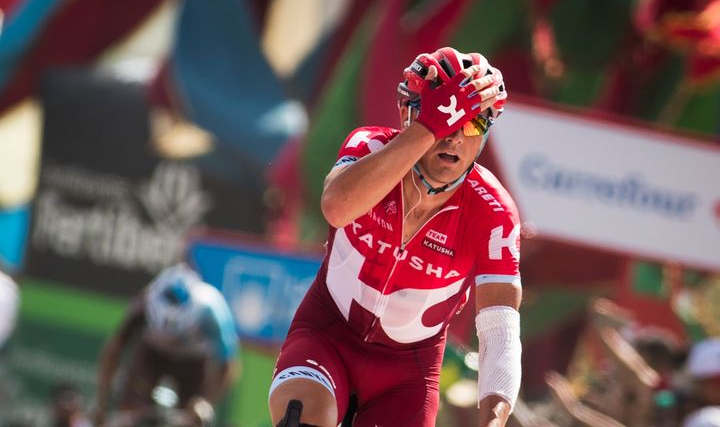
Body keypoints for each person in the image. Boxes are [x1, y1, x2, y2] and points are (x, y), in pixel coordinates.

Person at [268, 47, 521, 427]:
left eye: (472, 123)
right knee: (304, 418)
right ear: (408, 115)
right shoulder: (370, 146)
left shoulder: (493, 212)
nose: (453, 136)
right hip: (328, 332)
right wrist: (428, 127)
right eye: (443, 118)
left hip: (408, 372)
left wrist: (494, 422)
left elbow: (500, 330)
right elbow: (336, 206)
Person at [94, 263, 240, 426]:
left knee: (193, 418)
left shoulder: (212, 309)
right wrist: (102, 403)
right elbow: (114, 349)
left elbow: (229, 366)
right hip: (153, 355)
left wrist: (205, 401)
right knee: (131, 412)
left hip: (193, 362)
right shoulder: (146, 300)